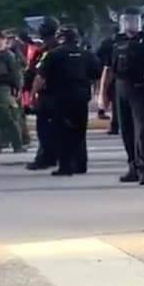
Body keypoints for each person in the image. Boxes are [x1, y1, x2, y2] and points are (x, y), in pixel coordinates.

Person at [98, 7, 144, 185]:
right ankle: (133, 167)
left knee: (142, 130)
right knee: (126, 130)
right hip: (121, 88)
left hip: (143, 89)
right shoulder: (115, 41)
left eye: (135, 20)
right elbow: (108, 69)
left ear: (140, 22)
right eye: (127, 20)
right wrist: (102, 94)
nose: (131, 23)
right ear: (122, 22)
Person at [33, 25, 101, 176]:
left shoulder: (53, 54)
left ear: (60, 38)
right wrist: (96, 94)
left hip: (61, 98)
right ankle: (81, 164)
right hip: (81, 97)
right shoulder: (87, 54)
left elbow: (40, 77)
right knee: (79, 131)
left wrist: (33, 95)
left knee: (62, 131)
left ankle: (66, 166)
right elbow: (97, 74)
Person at [25, 17, 61, 171]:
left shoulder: (47, 50)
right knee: (52, 127)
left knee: (45, 127)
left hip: (48, 93)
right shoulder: (53, 47)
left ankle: (46, 157)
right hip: (55, 92)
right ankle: (51, 156)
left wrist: (31, 93)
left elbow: (38, 73)